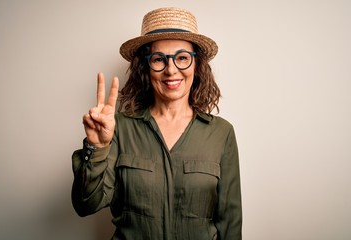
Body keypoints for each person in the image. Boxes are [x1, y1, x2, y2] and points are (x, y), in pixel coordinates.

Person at [71, 7, 242, 240]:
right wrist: (96, 147)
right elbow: (86, 205)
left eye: (182, 58)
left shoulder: (221, 133)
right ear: (145, 67)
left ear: (196, 65)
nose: (171, 70)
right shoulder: (119, 128)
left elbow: (230, 225)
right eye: (159, 59)